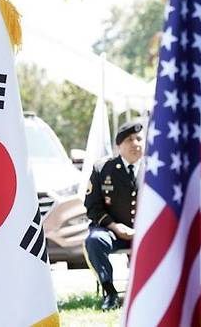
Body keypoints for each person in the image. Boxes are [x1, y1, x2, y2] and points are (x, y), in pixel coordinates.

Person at [84, 121, 145, 310]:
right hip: (113, 231)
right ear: (119, 146)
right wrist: (115, 226)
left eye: (139, 138)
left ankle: (149, 291)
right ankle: (110, 292)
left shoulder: (155, 169)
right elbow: (92, 207)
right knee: (95, 240)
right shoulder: (103, 169)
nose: (135, 143)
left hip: (145, 231)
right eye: (129, 140)